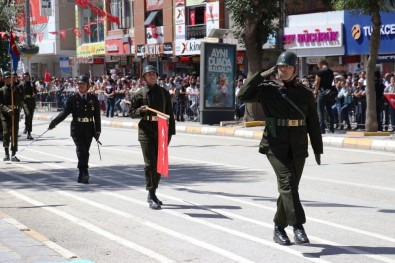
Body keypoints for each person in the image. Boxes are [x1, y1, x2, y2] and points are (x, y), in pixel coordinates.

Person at [237, 51, 323, 246]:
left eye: (287, 67)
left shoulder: (305, 93)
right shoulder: (268, 89)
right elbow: (243, 95)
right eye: (280, 66)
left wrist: (318, 148)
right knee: (287, 182)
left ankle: (278, 227)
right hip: (275, 144)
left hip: (298, 144)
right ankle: (298, 226)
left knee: (290, 187)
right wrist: (260, 76)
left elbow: (313, 122)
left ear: (295, 69)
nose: (283, 70)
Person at [129, 65, 176, 210]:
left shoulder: (164, 93)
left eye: (154, 74)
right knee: (150, 164)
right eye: (148, 74)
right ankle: (151, 193)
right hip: (146, 130)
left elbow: (170, 114)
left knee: (160, 164)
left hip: (161, 129)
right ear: (144, 77)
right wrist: (141, 110)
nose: (152, 76)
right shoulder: (139, 94)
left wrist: (170, 133)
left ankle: (153, 191)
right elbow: (131, 113)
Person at [48, 74, 101, 184]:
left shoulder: (93, 98)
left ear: (88, 85)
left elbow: (97, 116)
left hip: (89, 128)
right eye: (79, 84)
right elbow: (65, 113)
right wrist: (54, 122)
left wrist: (98, 130)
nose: (81, 86)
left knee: (85, 151)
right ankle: (84, 171)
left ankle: (82, 174)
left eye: (83, 84)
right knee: (81, 150)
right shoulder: (73, 99)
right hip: (77, 128)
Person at [0, 71, 24, 161]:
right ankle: (6, 154)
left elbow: (21, 99)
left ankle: (13, 154)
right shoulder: (2, 90)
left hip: (15, 113)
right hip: (5, 114)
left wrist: (15, 91)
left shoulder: (17, 89)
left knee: (14, 133)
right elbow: (0, 104)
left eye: (9, 78)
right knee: (6, 133)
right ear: (4, 79)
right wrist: (7, 110)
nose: (8, 79)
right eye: (6, 78)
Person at [313, 58, 335, 133]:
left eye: (318, 65)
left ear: (320, 64)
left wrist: (315, 92)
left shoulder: (320, 72)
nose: (318, 67)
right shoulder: (331, 71)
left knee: (320, 111)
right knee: (329, 110)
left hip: (321, 93)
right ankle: (331, 128)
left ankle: (322, 129)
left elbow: (317, 83)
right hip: (329, 93)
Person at [21, 72, 37, 140]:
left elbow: (35, 92)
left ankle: (29, 133)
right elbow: (17, 88)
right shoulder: (21, 84)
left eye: (27, 76)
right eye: (24, 77)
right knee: (28, 114)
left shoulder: (32, 83)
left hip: (31, 102)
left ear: (28, 77)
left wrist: (34, 95)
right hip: (25, 102)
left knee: (30, 117)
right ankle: (26, 127)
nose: (25, 78)